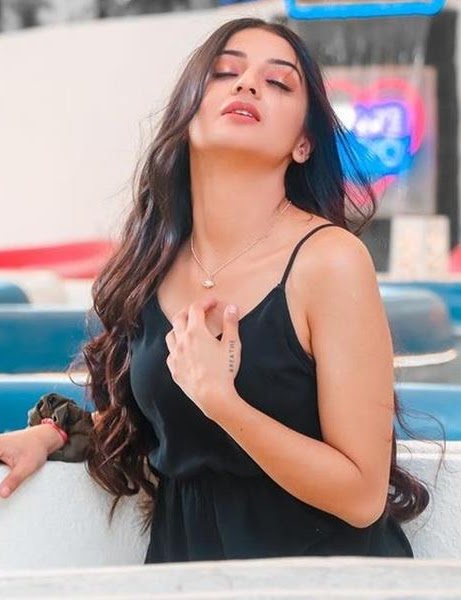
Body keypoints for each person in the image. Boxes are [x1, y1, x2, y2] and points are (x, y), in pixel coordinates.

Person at [0, 17, 429, 563]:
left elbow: (363, 496)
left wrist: (224, 403)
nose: (247, 83)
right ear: (187, 114)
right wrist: (51, 436)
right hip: (185, 571)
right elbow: (149, 424)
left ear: (303, 143)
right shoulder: (150, 266)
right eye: (225, 72)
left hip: (323, 577)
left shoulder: (330, 261)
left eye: (278, 82)